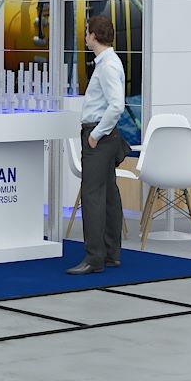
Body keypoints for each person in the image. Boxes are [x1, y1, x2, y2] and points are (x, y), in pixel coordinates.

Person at [68, 14, 128, 275]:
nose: (85, 37)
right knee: (109, 195)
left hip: (99, 138)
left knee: (92, 196)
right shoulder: (108, 63)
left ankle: (94, 258)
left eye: (86, 33)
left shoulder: (107, 66)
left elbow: (116, 106)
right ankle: (111, 253)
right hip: (105, 138)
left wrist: (95, 134)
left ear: (93, 36)